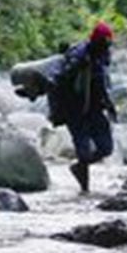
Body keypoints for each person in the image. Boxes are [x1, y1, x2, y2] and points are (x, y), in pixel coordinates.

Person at [50, 23, 117, 194]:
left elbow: (102, 82)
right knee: (84, 151)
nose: (107, 47)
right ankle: (85, 189)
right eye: (104, 43)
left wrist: (109, 105)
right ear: (96, 41)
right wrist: (78, 66)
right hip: (75, 110)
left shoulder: (102, 56)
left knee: (106, 147)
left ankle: (80, 167)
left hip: (95, 108)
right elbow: (62, 79)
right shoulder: (79, 54)